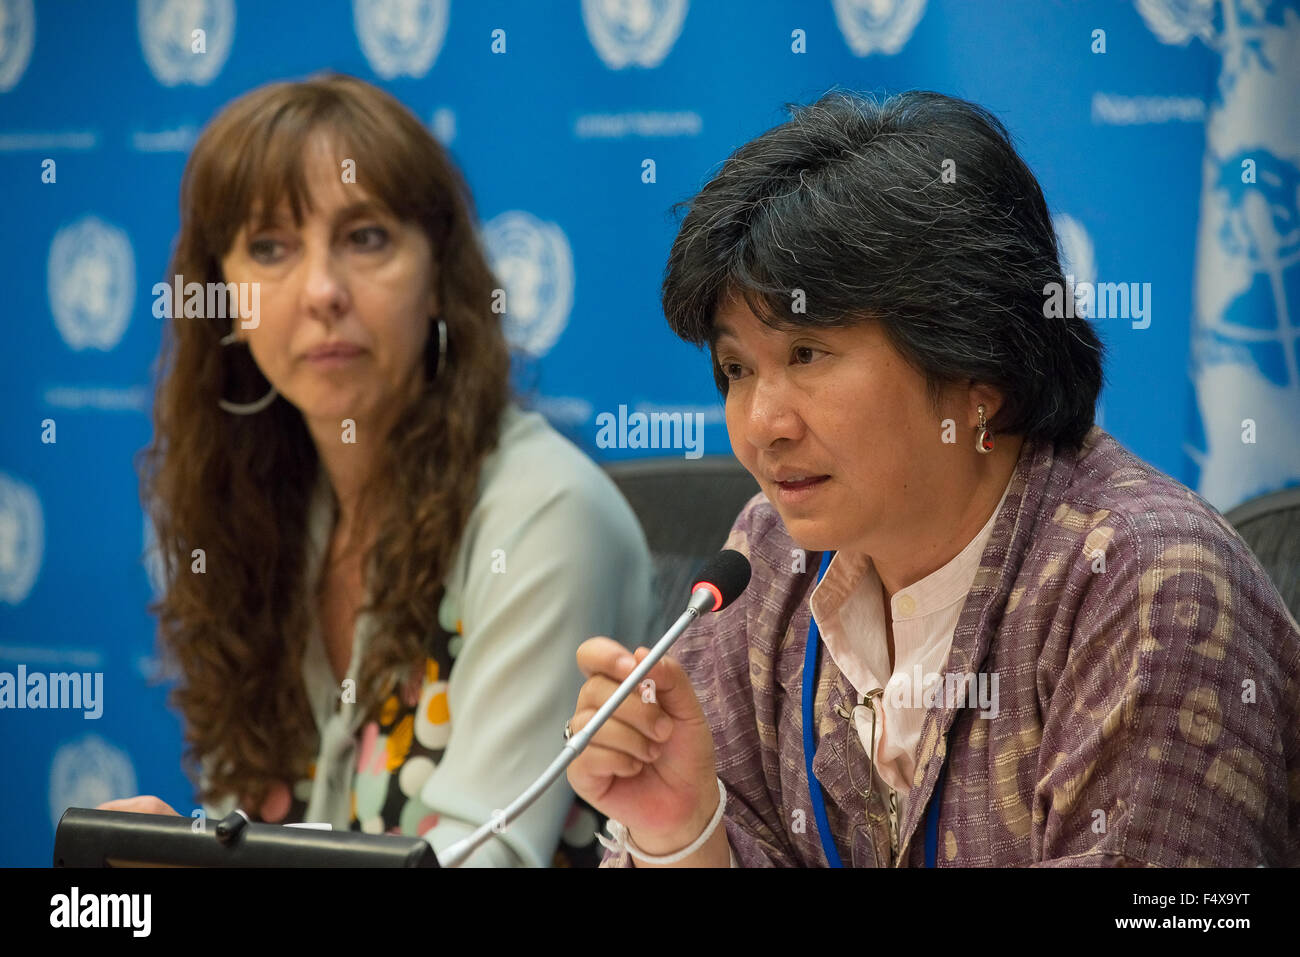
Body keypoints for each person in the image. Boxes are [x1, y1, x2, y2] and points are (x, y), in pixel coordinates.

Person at [565, 89, 1300, 867]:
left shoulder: (1145, 582)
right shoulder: (767, 558)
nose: (760, 424)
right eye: (735, 368)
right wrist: (680, 830)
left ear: (975, 367)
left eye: (807, 354)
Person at [99, 72, 653, 867]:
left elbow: (481, 861)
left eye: (365, 238)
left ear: (439, 277)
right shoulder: (268, 506)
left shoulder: (547, 514)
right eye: (270, 248)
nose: (322, 290)